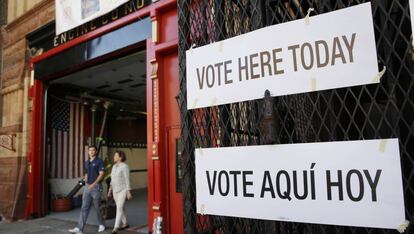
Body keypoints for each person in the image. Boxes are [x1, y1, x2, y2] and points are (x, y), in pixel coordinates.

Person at [69, 145, 106, 234]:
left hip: (96, 187)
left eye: (93, 150)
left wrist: (94, 184)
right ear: (88, 152)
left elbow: (101, 174)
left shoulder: (99, 161)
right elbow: (86, 174)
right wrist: (85, 181)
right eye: (90, 150)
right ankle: (79, 228)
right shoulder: (86, 162)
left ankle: (101, 224)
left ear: (96, 152)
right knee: (84, 208)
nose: (92, 152)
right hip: (87, 187)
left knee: (98, 207)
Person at [107, 150, 132, 234]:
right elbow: (112, 179)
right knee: (120, 207)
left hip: (122, 190)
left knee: (119, 208)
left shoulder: (124, 166)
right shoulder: (114, 166)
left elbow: (127, 179)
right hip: (114, 190)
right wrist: (110, 190)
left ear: (120, 157)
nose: (114, 157)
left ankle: (115, 227)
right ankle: (125, 223)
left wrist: (128, 191)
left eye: (115, 155)